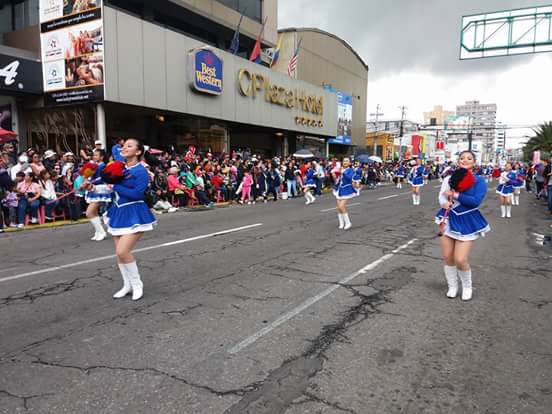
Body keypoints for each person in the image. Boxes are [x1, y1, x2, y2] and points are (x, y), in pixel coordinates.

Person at [104, 138, 156, 301]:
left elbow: (137, 194)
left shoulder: (141, 171)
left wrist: (115, 186)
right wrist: (92, 185)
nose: (125, 148)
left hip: (135, 213)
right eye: (124, 145)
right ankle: (127, 285)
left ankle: (137, 283)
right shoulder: (119, 166)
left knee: (123, 251)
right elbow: (107, 181)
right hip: (118, 212)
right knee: (119, 254)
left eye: (129, 146)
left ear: (139, 151)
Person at [435, 150, 489, 301]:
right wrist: (444, 203)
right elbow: (441, 195)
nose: (465, 160)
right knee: (447, 256)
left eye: (469, 158)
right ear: (458, 161)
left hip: (467, 221)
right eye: (462, 158)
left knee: (460, 259)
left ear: (474, 162)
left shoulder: (479, 181)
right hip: (448, 218)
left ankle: (467, 286)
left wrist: (456, 195)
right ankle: (452, 286)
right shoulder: (449, 178)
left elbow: (475, 201)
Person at [83, 149, 112, 241]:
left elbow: (101, 179)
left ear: (102, 157)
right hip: (92, 189)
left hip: (99, 191)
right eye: (93, 155)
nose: (94, 157)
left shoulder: (102, 166)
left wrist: (89, 181)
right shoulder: (94, 166)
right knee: (94, 213)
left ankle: (102, 231)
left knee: (89, 213)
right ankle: (98, 231)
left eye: (96, 155)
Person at [332, 157, 361, 230]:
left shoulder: (351, 170)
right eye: (344, 161)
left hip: (347, 189)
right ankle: (341, 223)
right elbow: (338, 180)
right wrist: (334, 176)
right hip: (340, 189)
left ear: (349, 163)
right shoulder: (340, 169)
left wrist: (343, 172)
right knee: (338, 208)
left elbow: (349, 178)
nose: (344, 162)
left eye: (346, 161)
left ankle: (348, 222)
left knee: (342, 206)